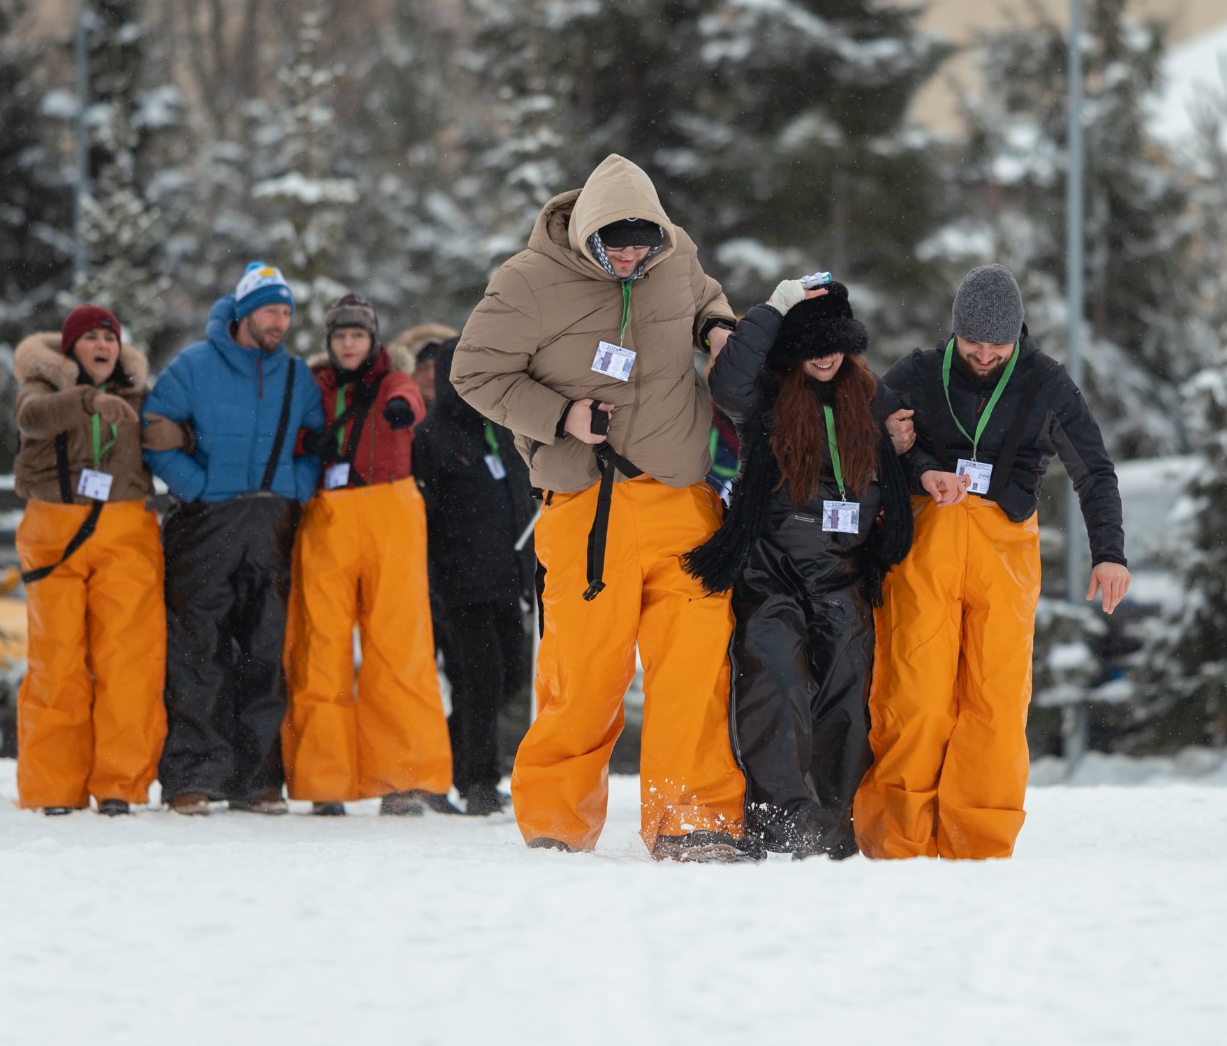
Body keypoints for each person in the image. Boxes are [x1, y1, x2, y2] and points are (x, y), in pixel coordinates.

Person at [450, 153, 747, 862]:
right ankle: (556, 819)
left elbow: (705, 295)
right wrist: (560, 415)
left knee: (695, 668)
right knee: (582, 671)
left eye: (643, 244)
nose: (630, 257)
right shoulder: (527, 282)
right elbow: (473, 371)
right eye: (616, 244)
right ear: (587, 231)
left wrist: (718, 327)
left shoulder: (676, 258)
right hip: (588, 505)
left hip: (683, 497)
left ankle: (692, 818)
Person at [855, 264, 1129, 860]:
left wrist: (1109, 553)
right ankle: (898, 834)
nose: (984, 356)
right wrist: (913, 456)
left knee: (996, 700)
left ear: (1018, 334)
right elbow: (864, 422)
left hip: (1005, 551)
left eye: (997, 346)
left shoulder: (1047, 383)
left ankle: (978, 839)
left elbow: (1094, 470)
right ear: (956, 334)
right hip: (925, 544)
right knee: (915, 697)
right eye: (973, 344)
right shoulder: (920, 372)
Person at [688, 280, 916, 859]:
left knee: (846, 695)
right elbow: (726, 378)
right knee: (777, 681)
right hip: (774, 569)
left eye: (834, 343)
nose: (824, 355)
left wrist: (911, 451)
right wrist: (772, 309)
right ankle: (780, 816)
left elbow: (918, 437)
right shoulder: (765, 395)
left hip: (843, 572)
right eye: (810, 344)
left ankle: (830, 822)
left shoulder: (868, 396)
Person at [142, 262, 324, 816]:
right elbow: (155, 432)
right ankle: (191, 777)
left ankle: (258, 778)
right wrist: (198, 485)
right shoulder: (194, 365)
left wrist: (293, 487)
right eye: (271, 309)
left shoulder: (297, 376)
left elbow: (316, 445)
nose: (280, 320)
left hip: (272, 524)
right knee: (198, 651)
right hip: (206, 525)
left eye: (287, 311)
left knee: (266, 651)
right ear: (244, 311)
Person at [281, 294, 453, 816]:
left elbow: (412, 399)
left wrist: (404, 410)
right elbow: (292, 429)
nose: (349, 344)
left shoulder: (394, 380)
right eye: (340, 336)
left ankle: (401, 779)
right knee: (321, 648)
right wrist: (308, 442)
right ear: (330, 342)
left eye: (357, 335)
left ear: (372, 339)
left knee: (397, 648)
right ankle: (323, 780)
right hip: (328, 514)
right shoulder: (315, 383)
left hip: (390, 511)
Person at [11, 306, 181, 815]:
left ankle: (120, 785)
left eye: (109, 336)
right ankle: (53, 787)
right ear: (70, 350)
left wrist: (180, 437)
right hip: (56, 536)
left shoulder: (140, 397)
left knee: (129, 663)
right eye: (90, 338)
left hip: (127, 533)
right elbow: (31, 419)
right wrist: (87, 401)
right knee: (56, 663)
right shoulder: (41, 389)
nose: (102, 345)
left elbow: (181, 432)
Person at [411, 339, 537, 817]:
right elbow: (425, 516)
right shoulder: (432, 436)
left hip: (505, 579)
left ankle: (444, 761)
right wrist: (434, 584)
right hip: (458, 585)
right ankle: (479, 781)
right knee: (478, 680)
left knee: (508, 678)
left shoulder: (502, 430)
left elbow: (520, 499)